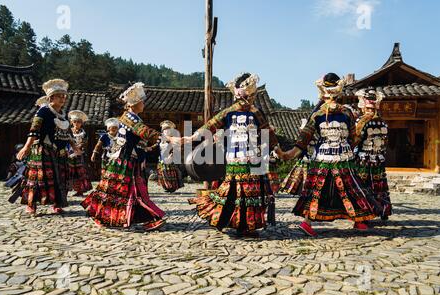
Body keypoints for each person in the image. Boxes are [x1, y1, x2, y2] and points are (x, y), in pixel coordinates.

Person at [180, 73, 290, 237]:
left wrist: (191, 137)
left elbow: (208, 126)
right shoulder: (247, 113)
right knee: (243, 194)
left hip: (240, 160)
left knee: (235, 193)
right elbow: (210, 126)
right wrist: (280, 152)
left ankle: (233, 222)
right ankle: (241, 225)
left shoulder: (236, 113)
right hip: (245, 159)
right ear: (250, 95)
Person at [286, 73, 381, 237]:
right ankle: (309, 222)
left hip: (334, 157)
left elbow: (305, 139)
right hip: (333, 157)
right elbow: (353, 137)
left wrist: (288, 154)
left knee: (341, 189)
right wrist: (289, 153)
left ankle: (355, 219)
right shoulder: (333, 114)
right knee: (332, 189)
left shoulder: (335, 114)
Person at [82, 82, 166, 231]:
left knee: (133, 191)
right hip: (123, 160)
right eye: (141, 102)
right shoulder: (129, 119)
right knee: (118, 191)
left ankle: (144, 218)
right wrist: (167, 137)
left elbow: (141, 138)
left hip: (129, 159)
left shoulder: (133, 118)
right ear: (133, 105)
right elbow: (144, 132)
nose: (143, 104)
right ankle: (106, 217)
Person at [16, 79, 81, 215]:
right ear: (51, 97)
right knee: (38, 178)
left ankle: (57, 203)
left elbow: (68, 133)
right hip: (43, 149)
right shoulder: (43, 111)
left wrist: (75, 147)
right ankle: (31, 204)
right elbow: (34, 130)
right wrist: (26, 147)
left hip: (60, 152)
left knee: (60, 178)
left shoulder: (63, 115)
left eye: (64, 96)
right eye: (59, 96)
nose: (63, 98)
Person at [355, 87, 392, 220]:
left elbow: (355, 140)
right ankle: (383, 210)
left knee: (363, 186)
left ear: (364, 106)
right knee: (379, 186)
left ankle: (366, 212)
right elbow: (385, 142)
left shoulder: (362, 121)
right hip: (379, 159)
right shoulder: (383, 123)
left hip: (363, 159)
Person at [68, 110, 92, 196]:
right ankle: (68, 189)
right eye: (74, 122)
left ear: (81, 123)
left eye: (78, 122)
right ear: (71, 122)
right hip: (69, 154)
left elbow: (84, 143)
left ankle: (80, 190)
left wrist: (77, 148)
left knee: (79, 172)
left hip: (79, 155)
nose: (76, 123)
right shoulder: (69, 132)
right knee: (69, 171)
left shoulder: (83, 133)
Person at [157, 120, 184, 193]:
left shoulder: (173, 139)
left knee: (170, 173)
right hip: (161, 158)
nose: (166, 131)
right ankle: (166, 186)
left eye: (168, 130)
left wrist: (172, 155)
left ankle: (172, 187)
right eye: (164, 130)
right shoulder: (161, 139)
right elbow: (156, 146)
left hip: (170, 158)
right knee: (163, 173)